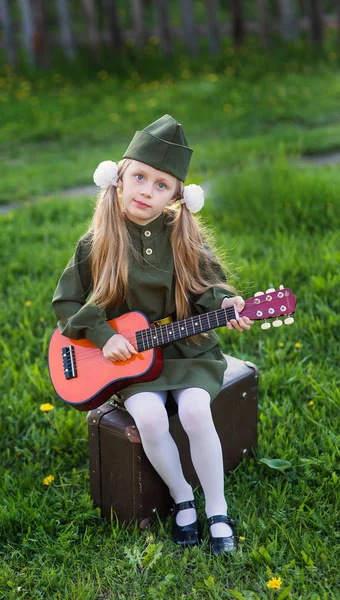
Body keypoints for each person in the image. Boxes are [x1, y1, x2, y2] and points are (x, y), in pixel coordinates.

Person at [52, 114, 254, 554]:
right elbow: (66, 305)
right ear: (118, 176)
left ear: (179, 196)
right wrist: (104, 335)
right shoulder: (96, 242)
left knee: (198, 413)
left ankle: (216, 509)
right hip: (131, 360)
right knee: (149, 419)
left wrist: (226, 306)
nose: (147, 190)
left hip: (187, 351)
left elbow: (209, 288)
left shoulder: (183, 237)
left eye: (162, 185)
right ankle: (183, 496)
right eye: (140, 177)